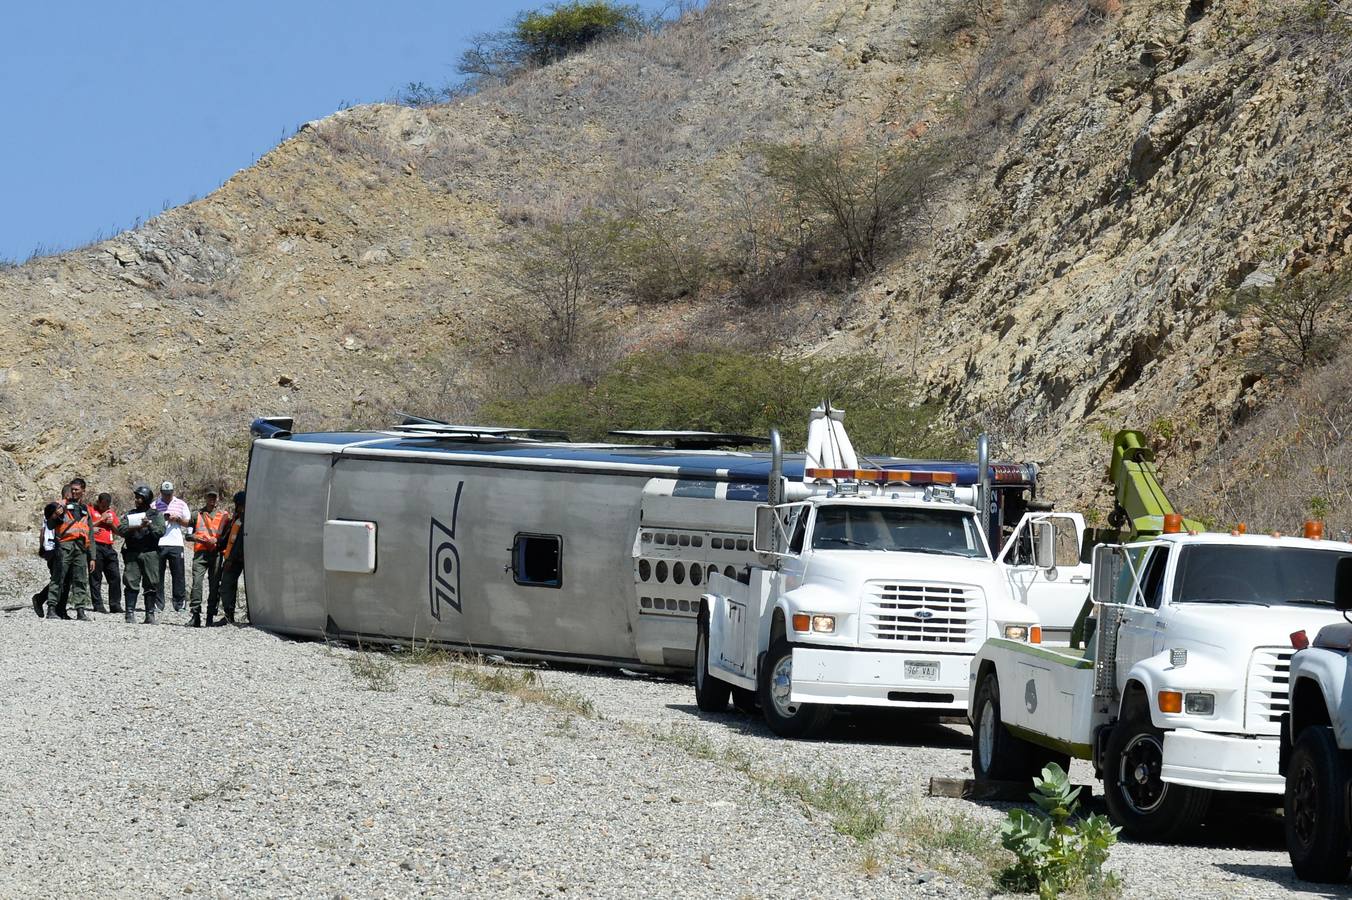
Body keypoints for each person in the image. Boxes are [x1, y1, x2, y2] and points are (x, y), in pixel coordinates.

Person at [115, 485, 167, 624]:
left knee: (151, 583)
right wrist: (137, 526)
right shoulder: (130, 514)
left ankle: (150, 614)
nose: (136, 500)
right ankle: (129, 613)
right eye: (136, 497)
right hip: (132, 553)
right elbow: (121, 529)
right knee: (131, 582)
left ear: (146, 499)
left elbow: (160, 532)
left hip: (150, 553)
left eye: (139, 497)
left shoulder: (156, 515)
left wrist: (148, 525)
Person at [46, 478, 95, 622]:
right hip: (65, 547)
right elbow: (50, 524)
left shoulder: (86, 510)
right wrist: (56, 514)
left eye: (77, 489)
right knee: (58, 578)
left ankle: (80, 610)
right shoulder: (62, 506)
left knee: (80, 579)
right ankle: (51, 608)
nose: (73, 492)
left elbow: (90, 534)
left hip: (81, 549)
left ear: (83, 491)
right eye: (72, 489)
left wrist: (92, 557)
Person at [188, 488, 228, 628]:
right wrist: (201, 540)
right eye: (209, 497)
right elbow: (188, 535)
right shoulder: (196, 514)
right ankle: (195, 615)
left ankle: (210, 616)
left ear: (218, 498)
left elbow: (227, 536)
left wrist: (217, 542)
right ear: (205, 497)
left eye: (214, 497)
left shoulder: (224, 516)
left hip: (216, 554)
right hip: (200, 553)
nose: (212, 500)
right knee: (197, 583)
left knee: (214, 585)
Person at [153, 481, 191, 613]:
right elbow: (149, 521)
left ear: (173, 492)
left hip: (176, 543)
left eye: (169, 494)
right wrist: (161, 518)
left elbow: (189, 523)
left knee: (179, 575)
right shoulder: (154, 504)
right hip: (159, 543)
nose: (167, 497)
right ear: (161, 492)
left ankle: (179, 604)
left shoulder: (181, 504)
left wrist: (178, 519)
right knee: (158, 575)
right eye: (165, 494)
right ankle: (158, 603)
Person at [88, 491, 123, 614]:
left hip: (109, 547)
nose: (105, 508)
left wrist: (111, 524)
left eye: (107, 506)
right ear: (98, 502)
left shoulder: (111, 513)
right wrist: (100, 520)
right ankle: (98, 605)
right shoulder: (91, 510)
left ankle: (115, 604)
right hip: (96, 546)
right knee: (96, 577)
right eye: (102, 505)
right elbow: (85, 526)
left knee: (115, 577)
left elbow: (120, 532)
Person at [216, 491, 245, 626]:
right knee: (228, 586)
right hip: (234, 558)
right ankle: (229, 615)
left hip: (236, 559)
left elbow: (238, 543)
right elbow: (228, 539)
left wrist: (230, 560)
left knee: (227, 585)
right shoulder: (236, 519)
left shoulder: (244, 520)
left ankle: (229, 615)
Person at [33, 500, 62, 618]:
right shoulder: (51, 520)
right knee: (57, 579)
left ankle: (43, 600)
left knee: (58, 579)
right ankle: (40, 599)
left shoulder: (47, 521)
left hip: (50, 551)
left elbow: (42, 533)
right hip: (52, 552)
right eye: (57, 512)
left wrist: (41, 548)